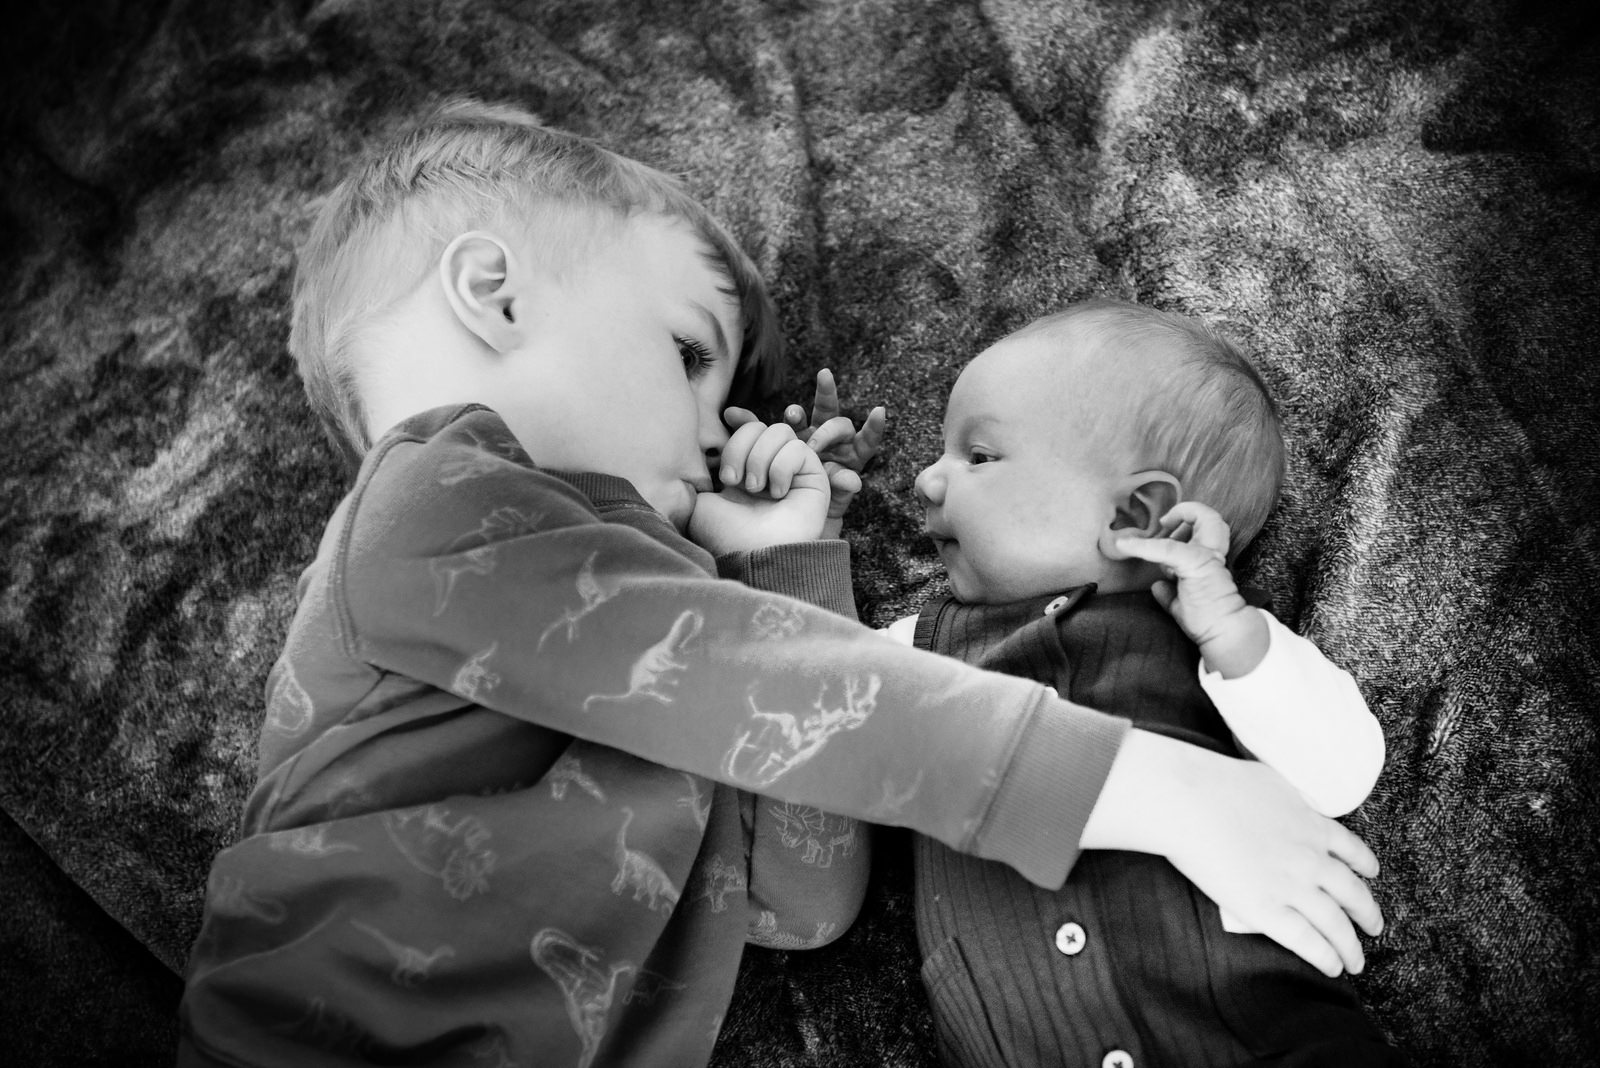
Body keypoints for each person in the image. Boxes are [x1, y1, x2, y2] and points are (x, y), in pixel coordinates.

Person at [176, 101, 1382, 1068]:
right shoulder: (424, 509)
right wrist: (1158, 788)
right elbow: (773, 686)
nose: (715, 434)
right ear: (494, 296)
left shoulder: (627, 609)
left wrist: (788, 565)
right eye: (690, 353)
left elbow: (800, 899)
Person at [808, 297, 1403, 1066]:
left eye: (978, 456)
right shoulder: (920, 647)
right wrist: (811, 540)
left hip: (1261, 1034)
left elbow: (1342, 773)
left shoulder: (1209, 641)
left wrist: (1234, 634)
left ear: (1140, 511)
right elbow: (813, 713)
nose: (925, 479)